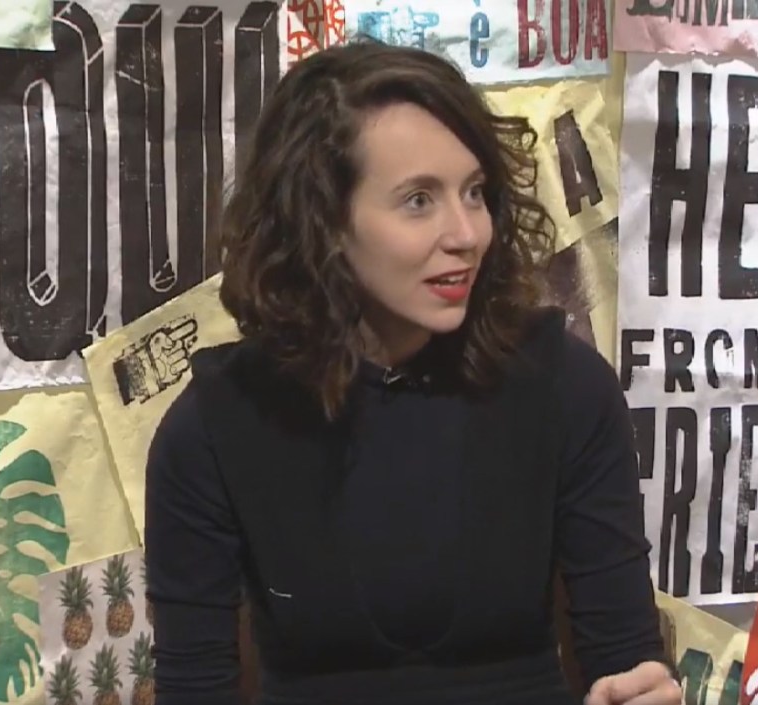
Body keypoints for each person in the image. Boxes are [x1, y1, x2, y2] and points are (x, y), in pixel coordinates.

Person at [143, 39, 681, 705]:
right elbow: (194, 687)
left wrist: (642, 691)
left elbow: (624, 659)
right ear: (323, 221)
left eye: (474, 193)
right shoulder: (213, 428)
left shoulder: (566, 388)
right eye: (419, 200)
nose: (467, 234)